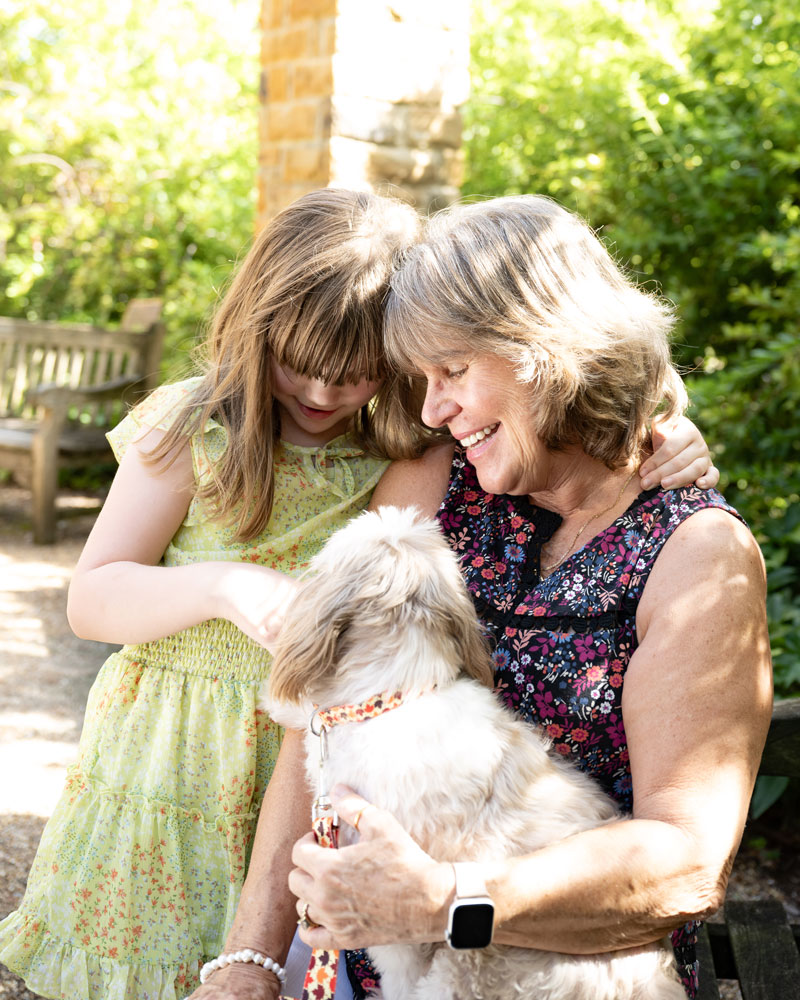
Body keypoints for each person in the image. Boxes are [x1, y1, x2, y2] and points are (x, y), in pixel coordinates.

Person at [0, 187, 713, 1000]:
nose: (321, 392)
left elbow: (581, 431)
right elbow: (94, 596)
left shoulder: (406, 451)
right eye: (296, 361)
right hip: (210, 766)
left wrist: (662, 435)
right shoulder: (222, 434)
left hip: (381, 820)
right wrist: (220, 586)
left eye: (357, 373)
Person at [285, 196, 773, 1000]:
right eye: (420, 380)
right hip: (371, 964)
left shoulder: (696, 559)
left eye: (452, 372)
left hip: (561, 975)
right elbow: (326, 715)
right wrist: (249, 960)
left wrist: (450, 902)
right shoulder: (441, 488)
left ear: (545, 349)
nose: (432, 409)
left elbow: (683, 859)